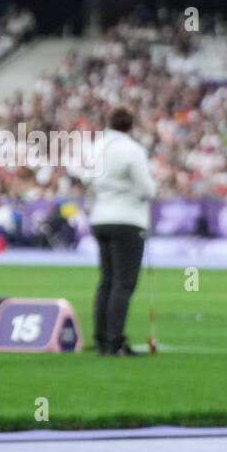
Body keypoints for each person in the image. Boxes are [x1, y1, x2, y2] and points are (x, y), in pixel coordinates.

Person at [86, 108, 155, 356]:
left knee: (106, 280)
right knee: (123, 283)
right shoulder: (132, 149)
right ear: (131, 126)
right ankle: (115, 340)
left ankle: (101, 337)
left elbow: (85, 176)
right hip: (127, 218)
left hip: (100, 215)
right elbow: (147, 188)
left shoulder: (95, 146)